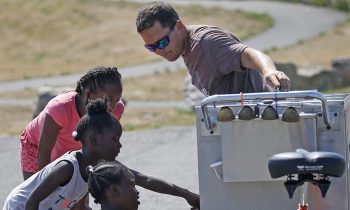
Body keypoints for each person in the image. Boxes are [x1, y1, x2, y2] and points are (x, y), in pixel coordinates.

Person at [3, 99, 200, 210]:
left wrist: (187, 195)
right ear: (93, 139)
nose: (120, 145)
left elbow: (143, 179)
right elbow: (32, 201)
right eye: (115, 139)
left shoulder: (101, 167)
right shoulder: (67, 167)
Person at [136, 1, 291, 96]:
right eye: (151, 47)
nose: (159, 51)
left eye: (162, 42)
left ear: (179, 26)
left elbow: (249, 54)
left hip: (260, 119)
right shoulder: (186, 47)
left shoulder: (207, 41)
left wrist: (269, 71)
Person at [19, 66, 125, 180]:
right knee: (35, 193)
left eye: (117, 99)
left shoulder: (117, 110)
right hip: (36, 148)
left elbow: (100, 147)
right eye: (108, 98)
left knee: (77, 192)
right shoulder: (59, 108)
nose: (112, 107)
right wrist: (47, 189)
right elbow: (44, 152)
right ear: (88, 93)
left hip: (73, 153)